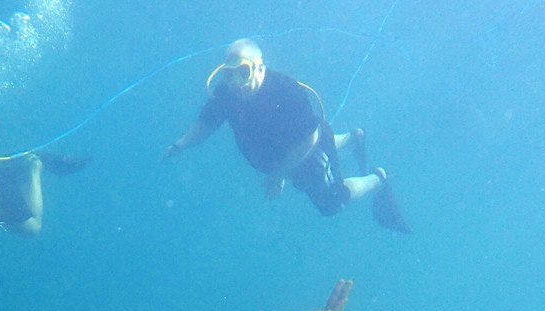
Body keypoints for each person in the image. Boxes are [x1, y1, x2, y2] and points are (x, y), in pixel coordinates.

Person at [163, 39, 411, 233]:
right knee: (320, 145)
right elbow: (207, 123)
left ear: (259, 68)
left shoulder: (286, 91)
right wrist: (181, 144)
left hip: (305, 149)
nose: (237, 82)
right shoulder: (227, 93)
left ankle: (378, 178)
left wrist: (278, 174)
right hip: (282, 153)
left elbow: (309, 141)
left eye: (244, 72)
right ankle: (353, 137)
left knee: (332, 202)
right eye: (229, 74)